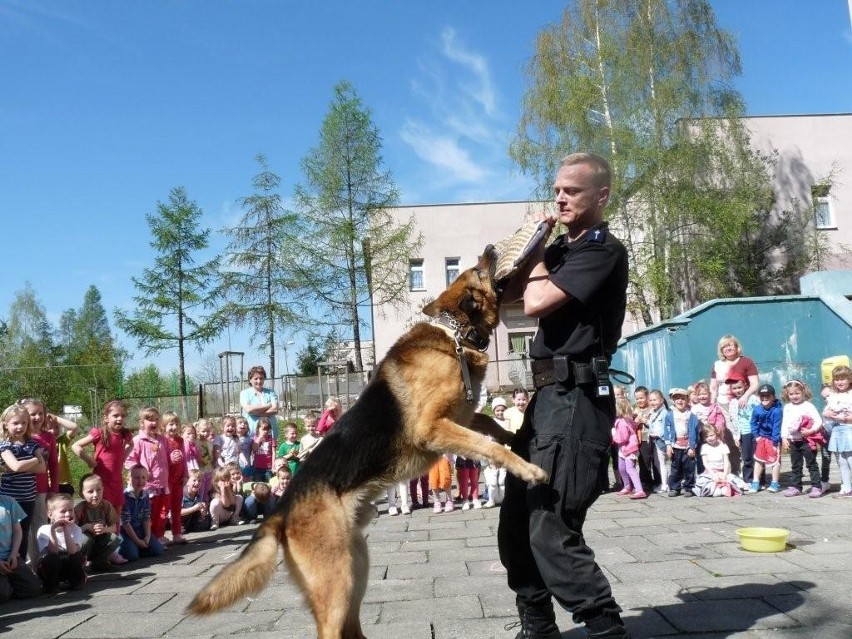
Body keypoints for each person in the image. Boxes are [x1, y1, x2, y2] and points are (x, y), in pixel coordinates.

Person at [496, 153, 630, 638]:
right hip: (546, 400)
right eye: (556, 189)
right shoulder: (559, 251)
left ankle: (605, 629)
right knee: (515, 524)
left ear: (600, 195)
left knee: (551, 522)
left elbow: (534, 302)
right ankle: (538, 628)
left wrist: (536, 258)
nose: (559, 197)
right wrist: (529, 244)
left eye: (571, 190)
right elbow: (507, 292)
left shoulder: (602, 249)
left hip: (578, 399)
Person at [0, 403, 46, 561]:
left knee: (23, 534)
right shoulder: (5, 445)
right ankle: (7, 567)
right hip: (9, 499)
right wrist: (34, 458)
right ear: (6, 424)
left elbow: (41, 469)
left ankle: (20, 567)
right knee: (8, 535)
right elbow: (15, 466)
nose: (20, 427)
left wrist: (18, 467)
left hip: (28, 498)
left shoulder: (32, 444)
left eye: (24, 423)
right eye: (15, 423)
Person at [72, 400, 134, 513]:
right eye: (115, 415)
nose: (120, 419)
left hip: (117, 481)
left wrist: (123, 457)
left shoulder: (125, 434)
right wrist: (90, 461)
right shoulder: (99, 433)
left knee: (116, 512)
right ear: (106, 418)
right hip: (100, 482)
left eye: (123, 416)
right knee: (101, 511)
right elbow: (76, 446)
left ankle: (115, 530)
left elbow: (132, 444)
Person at [19, 398, 58, 567]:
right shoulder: (20, 436)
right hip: (21, 490)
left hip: (41, 490)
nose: (37, 417)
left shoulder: (48, 437)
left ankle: (42, 564)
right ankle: (28, 565)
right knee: (23, 529)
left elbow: (54, 465)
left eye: (40, 413)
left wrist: (53, 488)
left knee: (41, 526)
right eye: (32, 413)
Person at [124, 406, 171, 546]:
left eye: (156, 419)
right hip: (148, 485)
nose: (154, 423)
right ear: (141, 422)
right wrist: (140, 472)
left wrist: (174, 458)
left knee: (162, 513)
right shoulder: (138, 440)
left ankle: (159, 536)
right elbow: (129, 460)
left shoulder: (162, 440)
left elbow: (167, 457)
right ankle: (148, 537)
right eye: (149, 419)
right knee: (148, 513)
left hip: (163, 482)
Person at [781, 380, 826, 498]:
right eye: (791, 394)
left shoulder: (808, 406)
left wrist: (811, 431)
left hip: (807, 441)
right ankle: (796, 487)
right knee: (796, 465)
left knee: (811, 464)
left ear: (803, 392)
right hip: (794, 441)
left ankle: (816, 486)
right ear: (787, 394)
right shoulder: (787, 407)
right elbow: (785, 423)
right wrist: (784, 437)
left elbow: (818, 421)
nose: (794, 396)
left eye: (797, 393)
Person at [36, 494, 86, 592]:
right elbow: (52, 551)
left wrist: (66, 529)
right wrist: (53, 531)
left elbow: (72, 551)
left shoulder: (76, 529)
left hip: (67, 566)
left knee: (76, 556)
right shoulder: (43, 530)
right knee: (51, 558)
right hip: (51, 568)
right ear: (50, 515)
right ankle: (51, 585)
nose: (68, 514)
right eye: (63, 511)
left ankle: (76, 582)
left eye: (71, 510)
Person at [74, 474, 122, 571]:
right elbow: (73, 531)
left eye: (99, 490)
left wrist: (104, 529)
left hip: (100, 540)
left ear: (103, 490)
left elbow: (114, 527)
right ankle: (77, 565)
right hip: (85, 542)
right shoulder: (79, 509)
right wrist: (87, 527)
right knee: (85, 539)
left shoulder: (106, 506)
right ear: (81, 493)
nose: (95, 495)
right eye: (90, 492)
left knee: (114, 539)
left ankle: (100, 563)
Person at [0, 492, 42, 602]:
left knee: (34, 588)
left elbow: (17, 531)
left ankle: (8, 583)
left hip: (10, 556)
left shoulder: (8, 502)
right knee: (2, 594)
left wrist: (14, 554)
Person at [119, 465, 166, 561]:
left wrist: (147, 536)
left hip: (140, 529)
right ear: (128, 479)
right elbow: (125, 523)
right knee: (132, 555)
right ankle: (132, 547)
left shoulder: (145, 496)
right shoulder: (124, 497)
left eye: (143, 478)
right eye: (136, 478)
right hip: (126, 532)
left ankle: (140, 546)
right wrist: (137, 541)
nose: (140, 481)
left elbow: (146, 517)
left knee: (158, 551)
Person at [663, 388, 700, 498]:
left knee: (689, 468)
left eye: (682, 398)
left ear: (687, 400)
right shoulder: (670, 415)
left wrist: (692, 447)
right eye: (677, 398)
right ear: (673, 401)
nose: (680, 401)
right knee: (675, 468)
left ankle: (689, 487)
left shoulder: (691, 416)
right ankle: (674, 487)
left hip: (688, 446)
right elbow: (667, 431)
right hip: (675, 446)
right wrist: (668, 445)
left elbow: (694, 432)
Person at [726, 372, 760, 489]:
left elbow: (760, 413)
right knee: (746, 457)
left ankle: (760, 479)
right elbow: (733, 420)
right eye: (734, 388)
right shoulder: (733, 402)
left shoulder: (754, 399)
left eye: (739, 387)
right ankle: (748, 480)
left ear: (745, 385)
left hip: (756, 432)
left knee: (758, 457)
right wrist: (736, 436)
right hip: (744, 433)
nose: (737, 390)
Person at [709, 335, 760, 409]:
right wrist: (712, 403)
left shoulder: (747, 362)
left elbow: (754, 384)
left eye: (731, 346)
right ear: (721, 350)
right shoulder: (717, 364)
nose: (728, 348)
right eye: (725, 346)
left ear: (737, 347)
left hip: (744, 404)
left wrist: (745, 396)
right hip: (723, 405)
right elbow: (713, 387)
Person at [825, 365, 852, 497]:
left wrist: (848, 418)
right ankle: (846, 488)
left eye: (843, 379)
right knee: (841, 460)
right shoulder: (833, 395)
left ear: (850, 379)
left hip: (849, 429)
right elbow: (826, 411)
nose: (839, 382)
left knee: (851, 459)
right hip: (837, 430)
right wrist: (828, 414)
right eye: (837, 379)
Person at [750, 384, 783, 493]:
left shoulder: (777, 411)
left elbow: (776, 427)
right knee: (758, 460)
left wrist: (775, 442)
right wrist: (757, 437)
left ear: (773, 397)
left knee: (775, 461)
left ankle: (775, 483)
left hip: (773, 439)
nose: (764, 398)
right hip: (761, 438)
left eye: (767, 396)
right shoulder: (757, 409)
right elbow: (753, 423)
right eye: (762, 396)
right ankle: (755, 482)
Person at [162, 412, 188, 544]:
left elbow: (184, 460)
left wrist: (185, 474)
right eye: (170, 424)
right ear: (164, 426)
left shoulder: (180, 440)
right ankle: (160, 534)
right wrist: (170, 460)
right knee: (164, 508)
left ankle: (177, 533)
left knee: (176, 507)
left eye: (176, 424)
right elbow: (161, 460)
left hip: (178, 479)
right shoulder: (162, 440)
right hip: (166, 479)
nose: (174, 427)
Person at [612, 398, 645, 499]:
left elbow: (623, 438)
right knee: (622, 468)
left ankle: (639, 490)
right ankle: (627, 486)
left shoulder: (621, 422)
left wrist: (614, 435)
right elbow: (633, 427)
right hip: (624, 449)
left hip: (629, 448)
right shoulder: (627, 420)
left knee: (630, 468)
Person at [41, 409, 79, 496]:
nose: (54, 431)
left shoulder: (62, 441)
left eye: (56, 427)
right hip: (48, 484)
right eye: (49, 428)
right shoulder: (41, 443)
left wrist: (56, 418)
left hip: (63, 483)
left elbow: (74, 427)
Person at [240, 365, 280, 439]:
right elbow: (249, 410)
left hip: (269, 432)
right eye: (256, 378)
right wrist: (268, 406)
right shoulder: (244, 393)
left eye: (261, 378)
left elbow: (275, 409)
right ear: (250, 380)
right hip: (252, 433)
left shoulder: (271, 392)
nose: (259, 381)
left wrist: (255, 413)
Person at [645, 389, 670, 493]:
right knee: (658, 463)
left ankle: (665, 485)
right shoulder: (653, 412)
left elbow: (668, 428)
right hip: (655, 441)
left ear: (662, 400)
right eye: (650, 400)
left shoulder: (664, 413)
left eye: (655, 400)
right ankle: (665, 482)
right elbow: (651, 425)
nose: (652, 402)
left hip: (662, 441)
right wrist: (646, 420)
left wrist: (658, 434)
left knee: (662, 463)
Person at [632, 386, 656, 491]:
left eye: (641, 398)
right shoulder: (635, 410)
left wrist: (643, 419)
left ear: (647, 397)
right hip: (640, 439)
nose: (639, 400)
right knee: (642, 461)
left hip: (650, 437)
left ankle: (654, 481)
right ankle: (645, 482)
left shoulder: (651, 409)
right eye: (637, 398)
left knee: (652, 460)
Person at [181, 469, 211, 533]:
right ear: (187, 481)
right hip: (178, 520)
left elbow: (200, 510)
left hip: (190, 520)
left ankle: (192, 526)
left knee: (207, 522)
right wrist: (194, 508)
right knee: (191, 504)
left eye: (199, 481)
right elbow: (177, 513)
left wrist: (203, 510)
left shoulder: (197, 494)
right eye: (194, 480)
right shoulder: (182, 493)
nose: (197, 483)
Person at [251, 418, 275, 482]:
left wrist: (273, 466)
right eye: (263, 429)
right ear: (258, 429)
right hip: (257, 467)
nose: (265, 431)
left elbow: (273, 453)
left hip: (268, 468)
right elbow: (254, 449)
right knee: (258, 484)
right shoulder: (255, 439)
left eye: (267, 429)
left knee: (269, 483)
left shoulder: (271, 439)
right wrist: (259, 438)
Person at [235, 416, 254, 481]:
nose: (243, 424)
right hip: (236, 463)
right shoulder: (233, 438)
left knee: (246, 479)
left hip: (247, 463)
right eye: (240, 423)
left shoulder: (249, 439)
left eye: (245, 423)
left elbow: (253, 450)